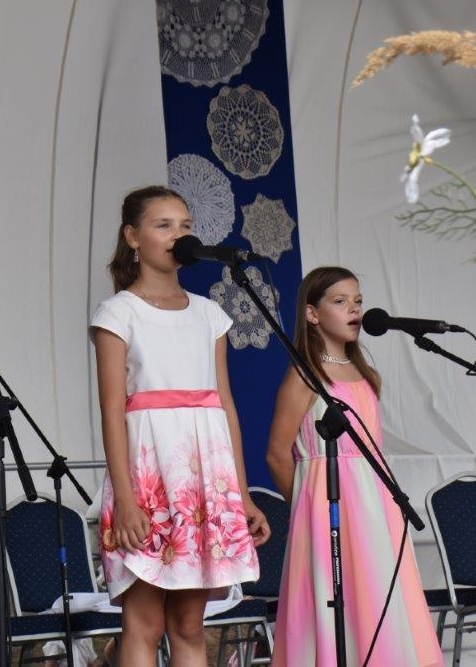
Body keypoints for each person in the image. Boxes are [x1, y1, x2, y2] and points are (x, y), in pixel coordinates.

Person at [91, 185, 270, 665]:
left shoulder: (210, 315)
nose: (177, 235)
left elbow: (225, 406)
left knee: (190, 624)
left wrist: (242, 494)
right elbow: (111, 410)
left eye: (185, 226)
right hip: (147, 482)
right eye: (163, 225)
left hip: (204, 483)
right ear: (133, 237)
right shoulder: (118, 313)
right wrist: (125, 499)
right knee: (144, 624)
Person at [265, 266, 443, 665]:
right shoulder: (304, 377)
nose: (354, 310)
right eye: (340, 301)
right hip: (324, 508)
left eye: (358, 301)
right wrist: (307, 508)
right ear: (312, 313)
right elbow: (276, 454)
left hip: (375, 508)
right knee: (333, 606)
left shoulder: (368, 376)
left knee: (378, 599)